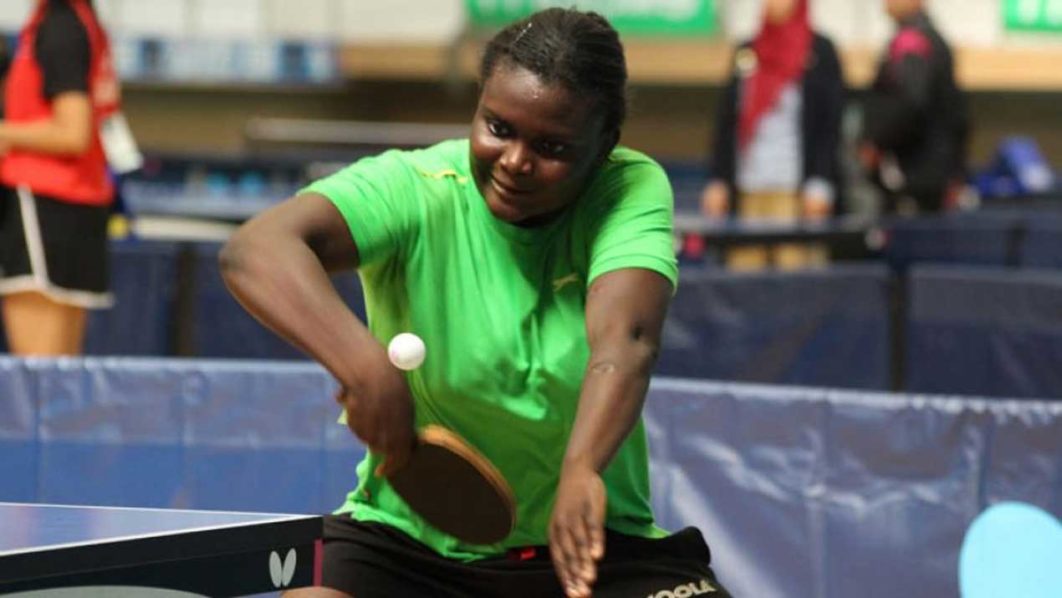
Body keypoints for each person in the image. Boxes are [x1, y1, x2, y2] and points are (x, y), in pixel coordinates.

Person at [221, 8, 731, 598]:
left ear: (603, 147)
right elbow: (256, 249)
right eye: (497, 127)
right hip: (404, 545)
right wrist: (362, 366)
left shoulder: (627, 188)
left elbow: (628, 339)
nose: (515, 160)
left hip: (590, 544)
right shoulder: (415, 188)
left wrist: (582, 467)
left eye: (552, 146)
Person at [0, 0, 121, 355]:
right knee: (59, 376)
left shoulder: (59, 27)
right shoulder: (76, 19)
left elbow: (72, 132)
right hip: (74, 201)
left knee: (38, 376)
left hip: (46, 204)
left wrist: (4, 133)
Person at [701, 0, 844, 271]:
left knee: (793, 273)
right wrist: (718, 179)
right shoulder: (748, 50)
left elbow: (829, 126)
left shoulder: (820, 52)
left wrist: (820, 184)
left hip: (794, 192)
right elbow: (728, 122)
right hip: (749, 188)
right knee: (743, 273)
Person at [859, 0, 968, 215]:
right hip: (932, 171)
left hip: (915, 172)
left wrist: (877, 144)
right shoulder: (929, 37)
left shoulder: (912, 41)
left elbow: (911, 103)